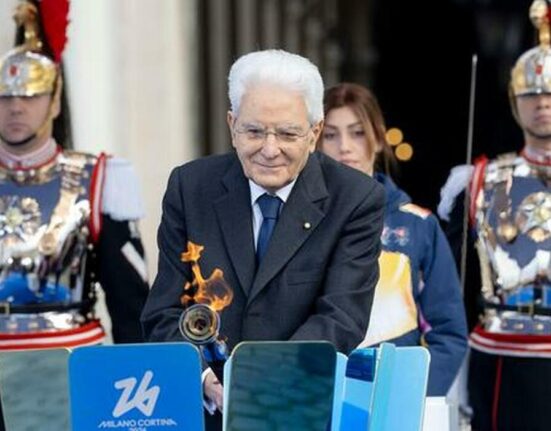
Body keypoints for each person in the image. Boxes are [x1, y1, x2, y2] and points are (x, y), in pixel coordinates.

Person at [141, 49, 385, 430]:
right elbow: (162, 311)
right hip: (207, 413)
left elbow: (342, 316)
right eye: (254, 131)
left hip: (301, 410)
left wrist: (262, 381)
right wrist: (203, 378)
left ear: (314, 133)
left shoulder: (355, 199)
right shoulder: (190, 188)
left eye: (288, 134)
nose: (270, 150)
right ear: (232, 125)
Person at [0, 1, 149, 350]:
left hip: (71, 357)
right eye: (6, 97)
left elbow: (131, 307)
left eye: (31, 95)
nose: (16, 107)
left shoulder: (99, 179)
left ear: (54, 101)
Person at [438, 1, 551, 429]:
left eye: (550, 94)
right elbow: (452, 282)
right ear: (514, 102)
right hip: (503, 354)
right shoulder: (479, 181)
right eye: (532, 94)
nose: (542, 103)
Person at [317, 82, 468, 396]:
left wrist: (411, 395)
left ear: (379, 137)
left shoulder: (419, 225)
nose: (344, 146)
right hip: (317, 393)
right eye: (330, 135)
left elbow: (449, 333)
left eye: (358, 133)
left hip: (395, 397)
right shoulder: (295, 220)